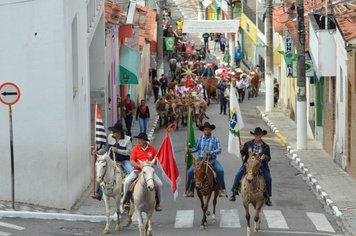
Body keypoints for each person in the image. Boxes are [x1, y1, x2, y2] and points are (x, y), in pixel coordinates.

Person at [229, 127, 272, 206]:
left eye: (259, 135)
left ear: (262, 135)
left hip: (260, 165)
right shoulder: (248, 144)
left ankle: (268, 196)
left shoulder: (266, 146)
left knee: (268, 178)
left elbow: (269, 158)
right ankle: (234, 191)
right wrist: (241, 150)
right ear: (254, 135)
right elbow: (244, 153)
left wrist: (265, 157)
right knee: (238, 175)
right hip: (248, 165)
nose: (258, 136)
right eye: (256, 135)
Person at [122, 133, 163, 211]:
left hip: (149, 173)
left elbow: (157, 160)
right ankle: (125, 201)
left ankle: (158, 203)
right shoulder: (135, 149)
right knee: (127, 182)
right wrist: (140, 166)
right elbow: (132, 161)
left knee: (159, 184)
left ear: (144, 141)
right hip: (137, 171)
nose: (138, 141)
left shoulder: (152, 149)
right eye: (138, 139)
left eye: (140, 139)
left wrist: (154, 162)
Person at [185, 122, 227, 198]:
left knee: (220, 170)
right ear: (203, 131)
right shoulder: (199, 139)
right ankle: (190, 190)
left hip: (211, 160)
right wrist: (189, 150)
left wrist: (210, 152)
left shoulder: (215, 139)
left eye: (208, 129)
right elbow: (195, 148)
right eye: (205, 129)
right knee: (191, 171)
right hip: (200, 161)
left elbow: (219, 150)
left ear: (211, 130)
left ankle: (222, 189)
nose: (207, 131)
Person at [93, 122, 133, 200]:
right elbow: (106, 148)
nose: (113, 133)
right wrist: (98, 152)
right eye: (113, 132)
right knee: (101, 170)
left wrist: (118, 150)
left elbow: (129, 152)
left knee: (131, 172)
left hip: (123, 160)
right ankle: (99, 193)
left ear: (120, 132)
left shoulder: (128, 140)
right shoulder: (110, 137)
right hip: (111, 160)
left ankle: (129, 193)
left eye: (115, 132)